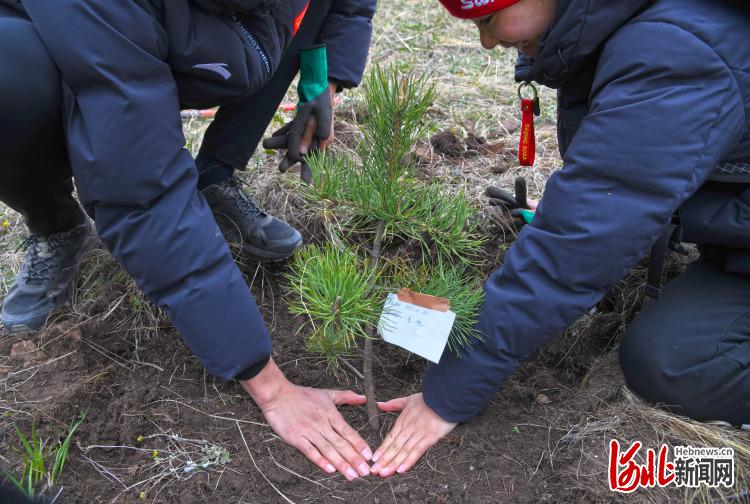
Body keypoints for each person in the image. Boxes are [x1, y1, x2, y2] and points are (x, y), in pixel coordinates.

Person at [369, 0, 750, 477]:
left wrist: (452, 388)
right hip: (733, 249)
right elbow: (624, 186)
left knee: (676, 365)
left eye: (488, 19)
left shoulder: (677, 51)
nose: (487, 42)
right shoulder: (623, 29)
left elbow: (583, 238)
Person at [0, 0, 376, 481]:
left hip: (205, 31)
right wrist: (268, 382)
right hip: (66, 36)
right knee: (10, 84)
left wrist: (323, 74)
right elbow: (143, 189)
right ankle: (56, 224)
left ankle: (215, 178)